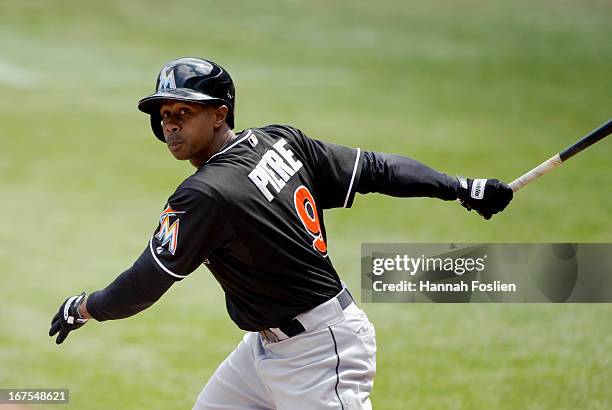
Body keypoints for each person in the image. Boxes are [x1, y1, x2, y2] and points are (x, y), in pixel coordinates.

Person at [49, 57, 513, 409]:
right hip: (263, 351)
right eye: (165, 114)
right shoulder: (280, 141)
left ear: (219, 114)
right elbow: (375, 169)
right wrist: (460, 187)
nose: (171, 124)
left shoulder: (205, 195)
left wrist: (85, 307)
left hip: (318, 353)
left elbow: (145, 285)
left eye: (184, 112)